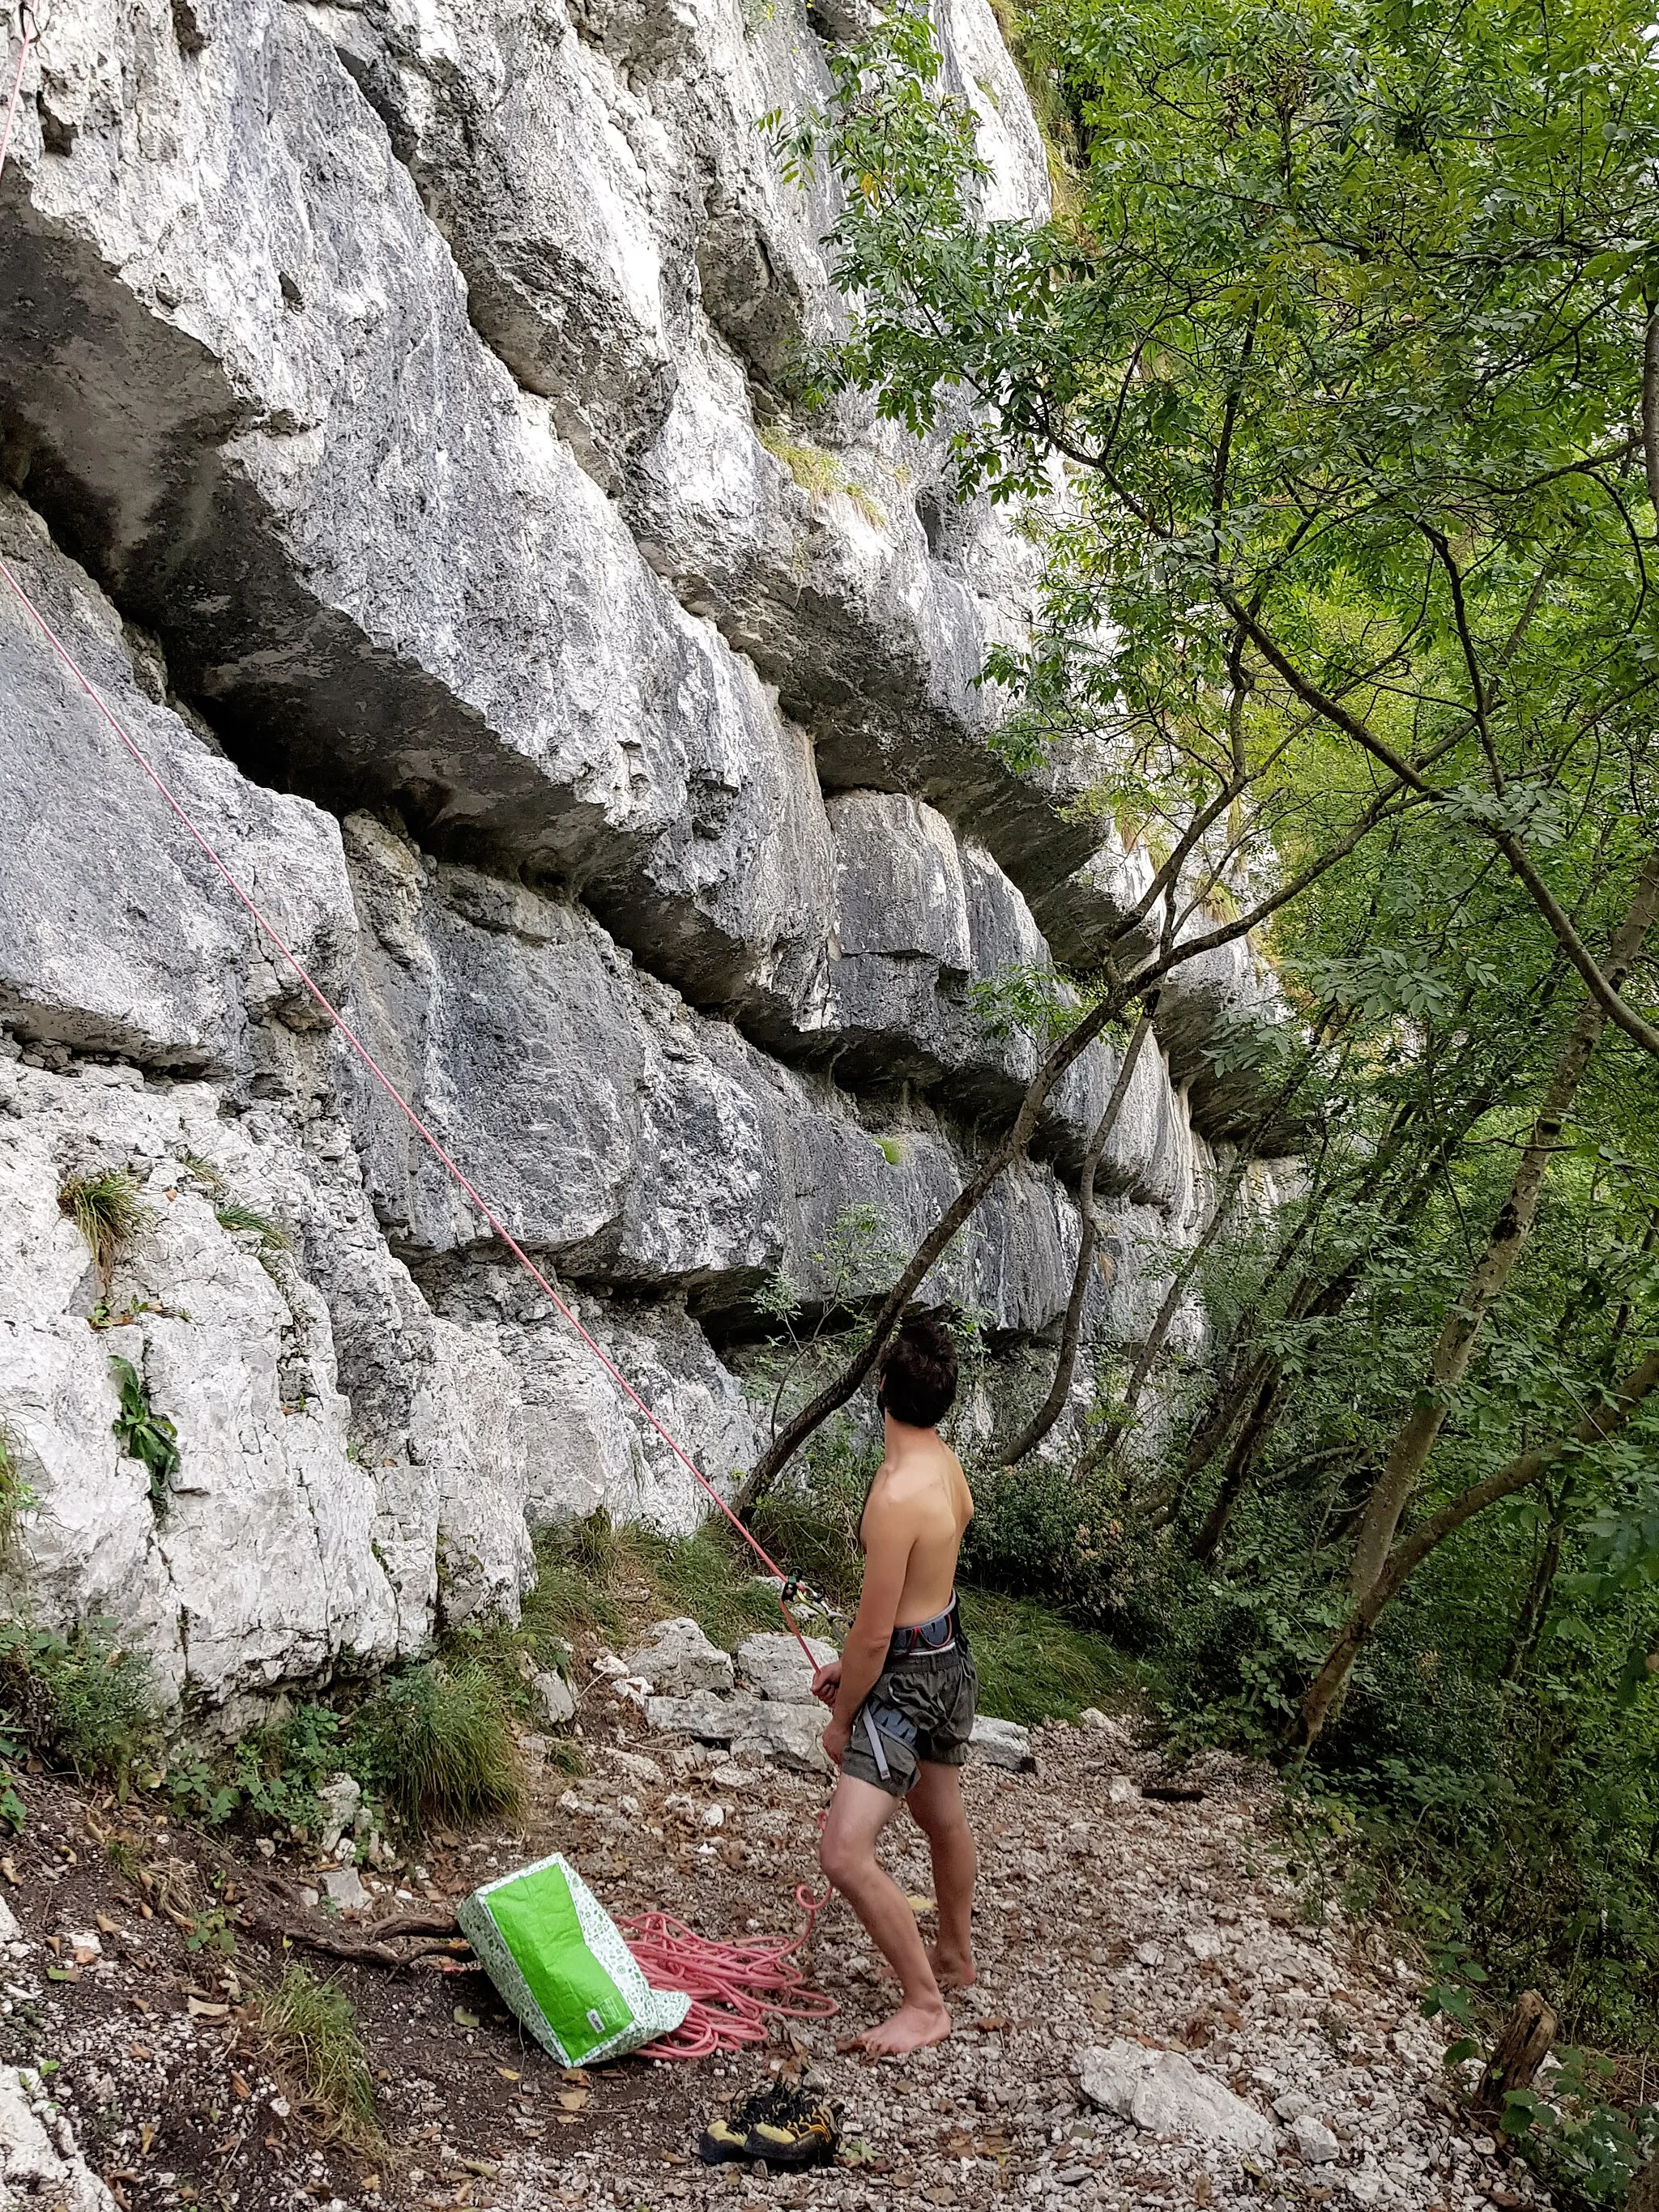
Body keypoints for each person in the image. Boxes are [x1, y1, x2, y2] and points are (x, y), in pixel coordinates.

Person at [811, 1311, 979, 2056]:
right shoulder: (944, 1465)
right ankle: (955, 1952)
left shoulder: (891, 1497)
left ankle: (924, 2001)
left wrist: (845, 1717)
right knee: (940, 1813)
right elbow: (920, 1588)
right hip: (947, 1656)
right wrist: (868, 1659)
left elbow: (874, 1634)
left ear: (880, 1388)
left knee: (844, 1852)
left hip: (906, 1679)